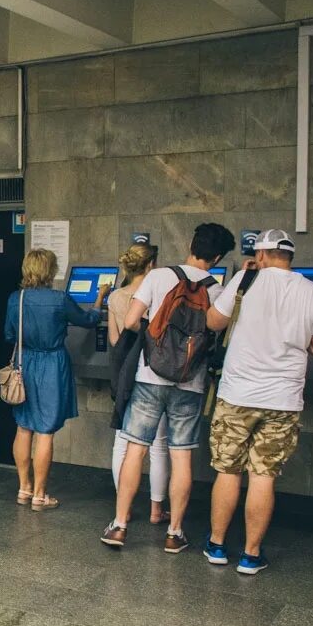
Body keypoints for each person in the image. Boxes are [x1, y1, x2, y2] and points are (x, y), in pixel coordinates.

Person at [203, 230, 313, 574]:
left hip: (236, 396)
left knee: (227, 470)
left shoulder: (244, 281)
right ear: (289, 257)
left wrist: (243, 279)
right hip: (283, 400)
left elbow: (213, 322)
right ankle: (251, 554)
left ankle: (217, 545)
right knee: (263, 476)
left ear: (260, 255)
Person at [102, 223, 234, 550]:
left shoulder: (158, 277)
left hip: (150, 377)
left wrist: (154, 333)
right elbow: (218, 332)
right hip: (190, 382)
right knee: (181, 457)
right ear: (217, 256)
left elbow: (132, 321)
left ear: (191, 244)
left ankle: (119, 525)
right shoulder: (215, 289)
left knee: (136, 448)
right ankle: (174, 533)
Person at [6, 249, 105, 511]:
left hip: (24, 364)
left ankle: (23, 488)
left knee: (23, 426)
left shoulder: (16, 298)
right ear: (50, 271)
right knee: (45, 430)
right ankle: (40, 495)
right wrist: (100, 299)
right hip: (52, 364)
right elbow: (88, 320)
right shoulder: (59, 299)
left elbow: (9, 334)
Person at [108, 243, 170, 525]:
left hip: (124, 373)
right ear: (150, 265)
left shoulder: (116, 297)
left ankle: (124, 506)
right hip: (151, 371)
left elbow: (113, 341)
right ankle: (157, 511)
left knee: (122, 441)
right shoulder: (158, 294)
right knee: (157, 444)